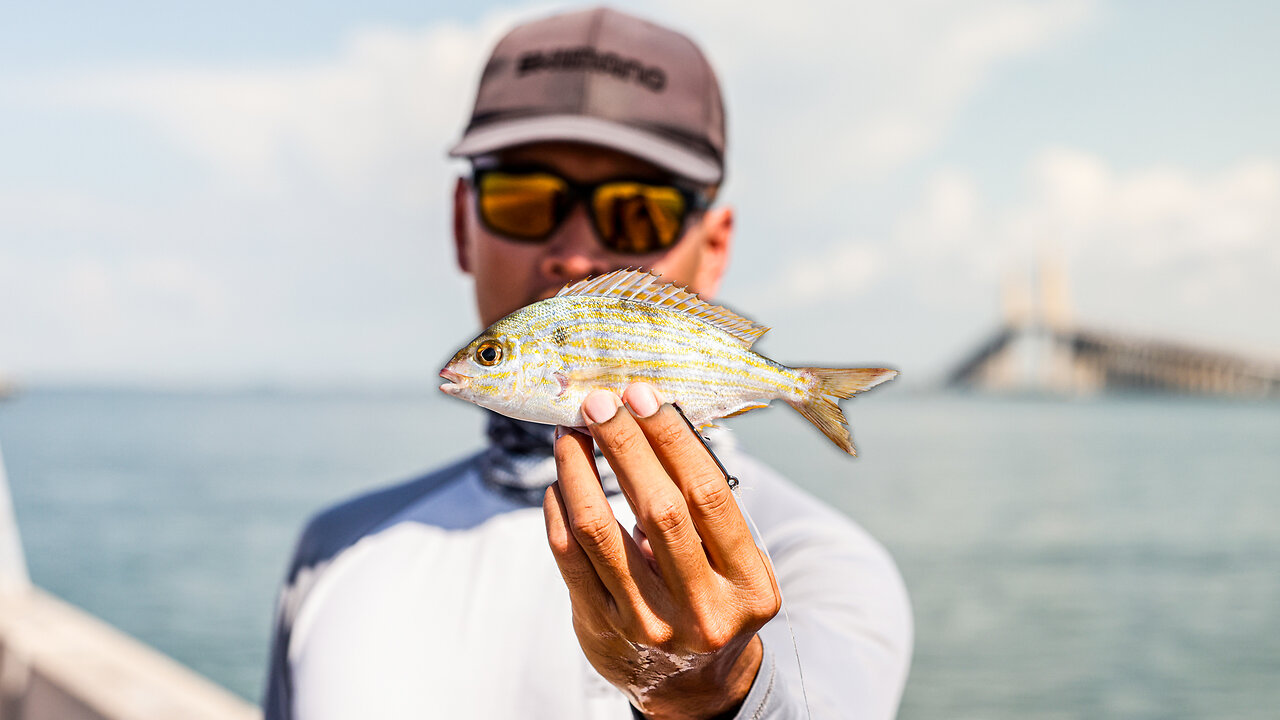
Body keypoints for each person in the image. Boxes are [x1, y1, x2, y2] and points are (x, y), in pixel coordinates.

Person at [263, 7, 911, 719]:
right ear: (459, 224)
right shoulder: (332, 554)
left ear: (716, 246)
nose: (574, 251)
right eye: (524, 197)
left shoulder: (823, 567)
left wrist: (717, 696)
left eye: (638, 212)